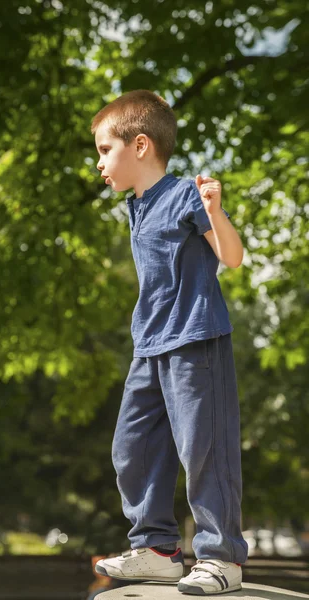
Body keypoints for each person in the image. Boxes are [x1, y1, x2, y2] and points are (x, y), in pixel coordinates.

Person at [90, 89, 248, 595]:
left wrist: (215, 210)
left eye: (103, 150)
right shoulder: (137, 205)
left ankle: (221, 557)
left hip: (195, 338)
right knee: (131, 446)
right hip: (149, 343)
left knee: (203, 448)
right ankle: (157, 549)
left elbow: (233, 255)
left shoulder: (185, 194)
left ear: (140, 145)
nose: (99, 164)